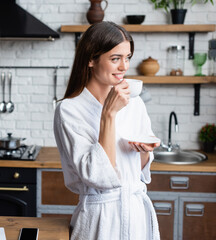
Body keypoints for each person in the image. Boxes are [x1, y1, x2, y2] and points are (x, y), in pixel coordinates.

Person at [53, 21, 161, 240]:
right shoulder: (69, 110)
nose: (124, 67)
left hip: (137, 215)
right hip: (100, 219)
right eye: (115, 59)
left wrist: (143, 151)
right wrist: (108, 115)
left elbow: (138, 170)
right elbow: (98, 176)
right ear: (91, 59)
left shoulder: (135, 103)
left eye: (127, 57)